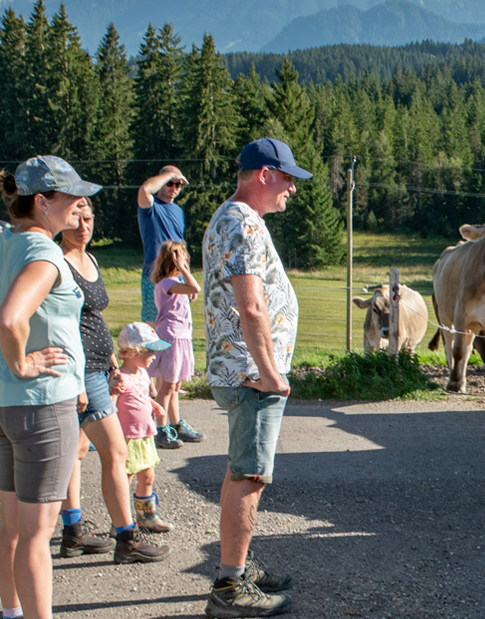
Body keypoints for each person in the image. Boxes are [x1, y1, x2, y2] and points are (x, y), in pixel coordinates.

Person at [0, 156, 99, 619]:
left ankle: (13, 613)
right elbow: (11, 318)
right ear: (42, 202)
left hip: (5, 404)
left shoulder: (5, 244)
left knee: (11, 529)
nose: (80, 204)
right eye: (72, 196)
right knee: (36, 535)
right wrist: (20, 360)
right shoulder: (44, 253)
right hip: (42, 407)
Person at [201, 138, 309, 618]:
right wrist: (270, 373)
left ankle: (238, 566)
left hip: (242, 370)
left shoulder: (233, 217)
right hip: (251, 375)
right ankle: (229, 587)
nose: (292, 188)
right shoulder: (242, 222)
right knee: (250, 475)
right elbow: (251, 306)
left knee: (240, 470)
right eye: (287, 178)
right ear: (264, 174)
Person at [58, 205, 168, 564]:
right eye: (75, 218)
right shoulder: (57, 262)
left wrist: (112, 363)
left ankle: (73, 532)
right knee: (117, 452)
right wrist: (80, 377)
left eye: (89, 219)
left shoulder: (90, 259)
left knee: (77, 451)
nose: (83, 226)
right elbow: (61, 322)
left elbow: (95, 320)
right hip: (80, 371)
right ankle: (126, 538)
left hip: (97, 368)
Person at [112, 322, 175, 533]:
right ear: (134, 352)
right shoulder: (120, 378)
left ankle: (147, 516)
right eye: (150, 352)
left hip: (145, 434)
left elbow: (142, 396)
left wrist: (153, 404)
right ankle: (120, 522)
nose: (154, 357)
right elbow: (112, 405)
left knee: (147, 477)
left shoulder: (142, 374)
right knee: (125, 479)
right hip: (127, 438)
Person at [148, 240, 203, 450]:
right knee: (166, 386)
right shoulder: (166, 283)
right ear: (172, 260)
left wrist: (184, 274)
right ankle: (161, 429)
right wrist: (183, 269)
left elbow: (192, 290)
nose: (186, 259)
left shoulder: (175, 282)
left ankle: (176, 425)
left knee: (175, 386)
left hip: (181, 337)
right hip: (171, 337)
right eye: (181, 256)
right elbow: (195, 287)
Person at [136, 165, 186, 324]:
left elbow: (180, 245)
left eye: (178, 184)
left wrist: (186, 275)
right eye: (170, 183)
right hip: (154, 277)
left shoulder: (178, 210)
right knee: (154, 327)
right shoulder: (150, 207)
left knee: (176, 325)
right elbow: (144, 190)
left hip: (177, 277)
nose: (174, 188)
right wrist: (170, 174)